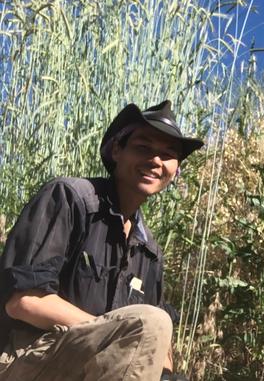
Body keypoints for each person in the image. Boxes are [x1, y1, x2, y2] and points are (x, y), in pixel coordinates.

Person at [0, 100, 203, 381]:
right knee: (146, 324)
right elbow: (24, 301)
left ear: (175, 170)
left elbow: (161, 342)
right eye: (143, 147)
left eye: (169, 154)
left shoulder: (150, 252)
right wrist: (119, 334)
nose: (156, 160)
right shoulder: (70, 198)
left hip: (102, 367)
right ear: (117, 150)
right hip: (30, 357)